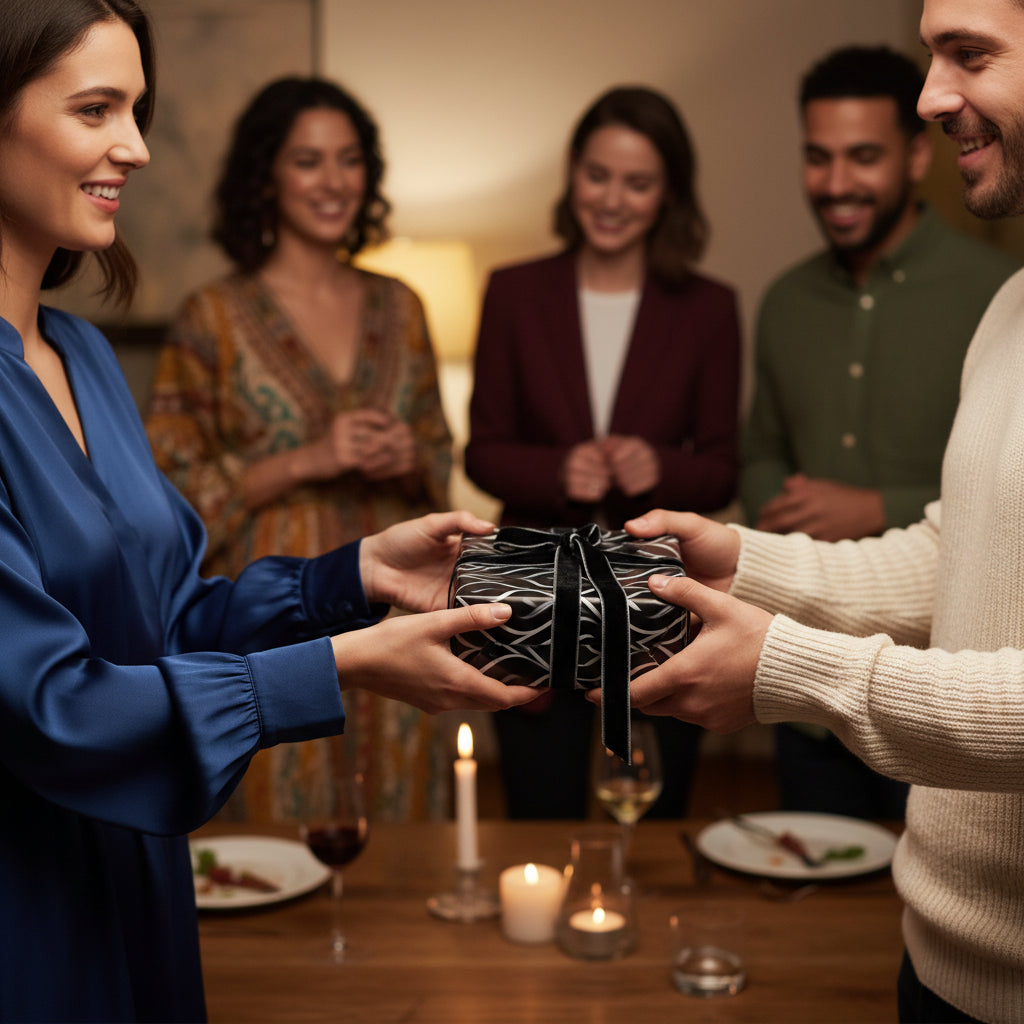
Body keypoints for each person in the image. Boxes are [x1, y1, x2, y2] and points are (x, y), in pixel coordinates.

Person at [0, 3, 536, 1020]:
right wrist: (341, 664)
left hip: (139, 870)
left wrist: (353, 575)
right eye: (96, 109)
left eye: (139, 109)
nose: (137, 147)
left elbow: (164, 624)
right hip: (30, 892)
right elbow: (51, 706)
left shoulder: (86, 360)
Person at [616, 4, 1024, 1019]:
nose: (931, 95)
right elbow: (955, 552)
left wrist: (785, 670)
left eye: (967, 53)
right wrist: (738, 560)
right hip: (942, 959)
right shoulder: (1014, 309)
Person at [145, 77, 454, 823]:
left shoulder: (401, 307)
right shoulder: (211, 319)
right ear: (266, 176)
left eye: (349, 160)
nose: (333, 181)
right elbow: (164, 496)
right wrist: (305, 459)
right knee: (282, 841)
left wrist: (409, 454)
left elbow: (443, 457)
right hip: (275, 625)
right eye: (308, 161)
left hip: (398, 612)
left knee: (405, 831)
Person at [740, 45, 1019, 820]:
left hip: (948, 702)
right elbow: (759, 447)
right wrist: (781, 508)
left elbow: (999, 507)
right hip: (800, 684)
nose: (836, 184)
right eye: (818, 158)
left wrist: (873, 507)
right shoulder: (784, 302)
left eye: (862, 156)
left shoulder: (992, 292)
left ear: (913, 155)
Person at [465, 86, 741, 819]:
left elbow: (720, 469)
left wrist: (663, 469)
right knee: (539, 813)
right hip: (532, 601)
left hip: (655, 610)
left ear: (668, 195)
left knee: (650, 819)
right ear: (572, 174)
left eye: (638, 182)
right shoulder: (513, 292)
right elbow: (482, 453)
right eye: (598, 174)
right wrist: (557, 472)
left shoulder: (710, 309)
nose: (612, 198)